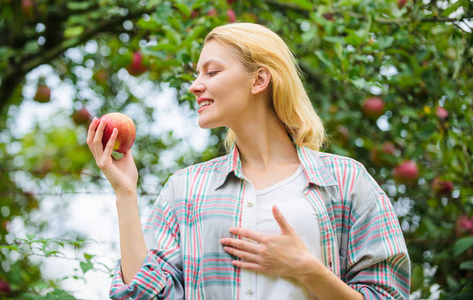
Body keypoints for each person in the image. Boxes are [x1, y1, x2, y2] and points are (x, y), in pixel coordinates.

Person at [87, 22, 410, 299]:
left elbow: (388, 293)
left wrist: (307, 269)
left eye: (211, 72)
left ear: (259, 80)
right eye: (198, 74)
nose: (195, 85)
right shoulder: (185, 189)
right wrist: (126, 193)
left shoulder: (345, 180)